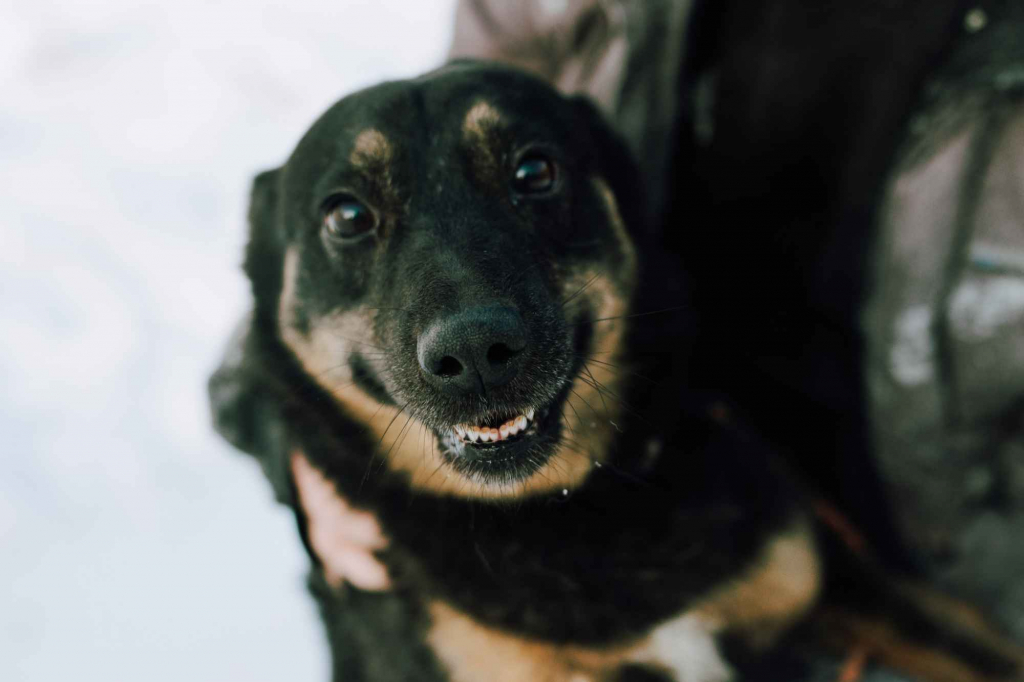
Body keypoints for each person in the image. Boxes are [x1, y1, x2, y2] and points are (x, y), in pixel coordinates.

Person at [209, 0, 1024, 675]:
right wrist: (305, 443)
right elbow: (424, 148)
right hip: (689, 441)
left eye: (530, 176)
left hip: (909, 530)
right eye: (352, 220)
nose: (463, 348)